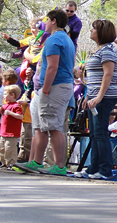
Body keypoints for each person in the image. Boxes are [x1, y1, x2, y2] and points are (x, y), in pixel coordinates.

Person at [16, 9, 76, 175]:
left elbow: (52, 66)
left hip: (54, 87)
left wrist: (46, 89)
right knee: (40, 125)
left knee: (53, 125)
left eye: (46, 20)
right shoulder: (65, 39)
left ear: (54, 21)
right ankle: (35, 161)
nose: (44, 24)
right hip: (52, 87)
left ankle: (59, 166)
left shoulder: (54, 39)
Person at [82, 19, 117, 180]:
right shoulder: (99, 50)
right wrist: (88, 96)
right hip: (93, 97)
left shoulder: (107, 51)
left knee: (101, 132)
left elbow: (108, 74)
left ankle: (105, 170)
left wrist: (99, 97)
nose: (91, 31)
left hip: (104, 98)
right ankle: (93, 168)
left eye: (94, 29)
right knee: (94, 133)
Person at [0, 85, 24, 168]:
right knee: (1, 149)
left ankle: (11, 163)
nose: (4, 96)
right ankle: (4, 163)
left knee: (10, 149)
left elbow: (20, 116)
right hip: (3, 132)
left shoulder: (16, 106)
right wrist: (1, 111)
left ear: (12, 95)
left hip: (12, 133)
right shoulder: (6, 105)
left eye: (6, 94)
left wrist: (11, 113)